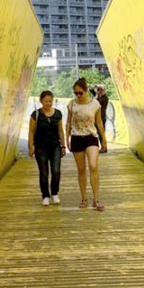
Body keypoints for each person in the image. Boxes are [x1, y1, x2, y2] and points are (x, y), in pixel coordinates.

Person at [66, 78, 108, 211]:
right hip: (77, 138)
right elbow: (68, 122)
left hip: (91, 137)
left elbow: (99, 123)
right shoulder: (72, 104)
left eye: (80, 93)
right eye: (75, 93)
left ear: (86, 91)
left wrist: (104, 140)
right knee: (81, 170)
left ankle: (96, 199)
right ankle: (84, 198)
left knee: (93, 166)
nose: (78, 95)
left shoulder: (95, 104)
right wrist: (67, 138)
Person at [28, 90, 66, 206]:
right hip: (41, 148)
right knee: (44, 173)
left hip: (55, 147)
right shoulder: (36, 115)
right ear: (41, 101)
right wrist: (30, 147)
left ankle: (55, 193)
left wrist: (63, 146)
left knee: (56, 171)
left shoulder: (58, 114)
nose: (48, 103)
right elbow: (31, 132)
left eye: (50, 101)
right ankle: (45, 195)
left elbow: (60, 131)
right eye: (46, 101)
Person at [95, 84, 109, 153]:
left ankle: (104, 147)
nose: (100, 91)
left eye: (101, 90)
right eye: (99, 89)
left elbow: (96, 103)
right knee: (99, 133)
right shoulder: (99, 96)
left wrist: (97, 94)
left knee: (101, 133)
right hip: (98, 118)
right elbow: (90, 89)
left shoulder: (104, 98)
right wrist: (96, 88)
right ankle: (102, 147)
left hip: (102, 118)